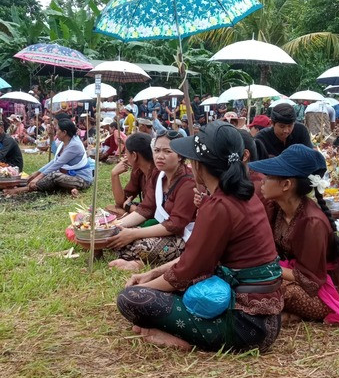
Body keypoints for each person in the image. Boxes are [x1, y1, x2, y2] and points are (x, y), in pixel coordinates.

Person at [117, 121, 283, 352]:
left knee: (132, 298)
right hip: (267, 318)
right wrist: (151, 273)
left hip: (246, 325)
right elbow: (196, 257)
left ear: (199, 165)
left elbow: (188, 269)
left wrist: (149, 288)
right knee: (150, 290)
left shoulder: (219, 204)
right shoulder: (242, 195)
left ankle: (185, 340)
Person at [249, 144, 339, 324]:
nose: (262, 180)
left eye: (269, 176)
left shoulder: (312, 222)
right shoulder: (276, 208)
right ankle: (285, 314)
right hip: (291, 274)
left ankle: (286, 314)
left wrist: (269, 270)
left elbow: (311, 281)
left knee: (268, 290)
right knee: (251, 282)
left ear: (286, 184)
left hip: (320, 292)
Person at [107, 131, 197, 271]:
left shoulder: (188, 183)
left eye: (167, 151)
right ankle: (138, 259)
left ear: (180, 156)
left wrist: (133, 234)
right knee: (114, 234)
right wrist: (115, 226)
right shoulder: (157, 175)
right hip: (162, 230)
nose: (160, 156)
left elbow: (175, 225)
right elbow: (146, 209)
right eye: (157, 150)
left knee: (139, 246)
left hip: (184, 236)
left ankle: (139, 263)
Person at [6, 120, 93, 197]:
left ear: (64, 132)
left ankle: (23, 189)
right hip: (70, 176)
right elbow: (55, 159)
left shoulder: (74, 145)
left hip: (82, 179)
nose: (56, 132)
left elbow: (58, 163)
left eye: (57, 130)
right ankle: (24, 184)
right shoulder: (66, 142)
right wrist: (36, 173)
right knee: (44, 175)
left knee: (54, 175)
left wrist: (37, 178)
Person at [108, 133, 155, 216]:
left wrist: (130, 207)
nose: (125, 157)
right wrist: (114, 175)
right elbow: (121, 202)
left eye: (126, 153)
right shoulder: (138, 170)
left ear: (134, 155)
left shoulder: (157, 173)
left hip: (157, 218)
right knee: (111, 209)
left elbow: (151, 212)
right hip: (144, 211)